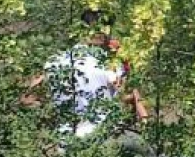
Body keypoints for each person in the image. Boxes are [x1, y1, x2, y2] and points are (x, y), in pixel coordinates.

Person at [21, 11, 147, 140]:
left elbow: (27, 99)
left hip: (64, 139)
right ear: (105, 32)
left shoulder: (54, 62)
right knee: (154, 155)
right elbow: (122, 96)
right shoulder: (109, 64)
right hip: (102, 137)